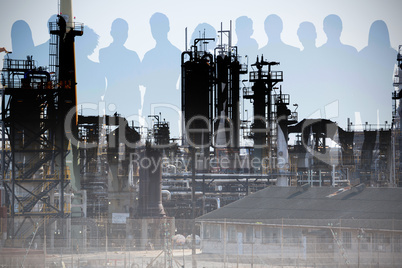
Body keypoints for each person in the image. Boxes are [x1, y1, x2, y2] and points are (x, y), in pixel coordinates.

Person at [141, 13, 181, 139]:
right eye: (154, 28)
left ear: (167, 28)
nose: (155, 31)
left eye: (158, 27)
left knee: (161, 140)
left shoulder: (151, 56)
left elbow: (143, 80)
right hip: (165, 100)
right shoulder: (175, 53)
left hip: (163, 99)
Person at [99, 18, 141, 118]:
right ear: (112, 33)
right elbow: (140, 77)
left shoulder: (104, 53)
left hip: (125, 99)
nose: (123, 35)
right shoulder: (132, 56)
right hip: (122, 99)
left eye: (124, 32)